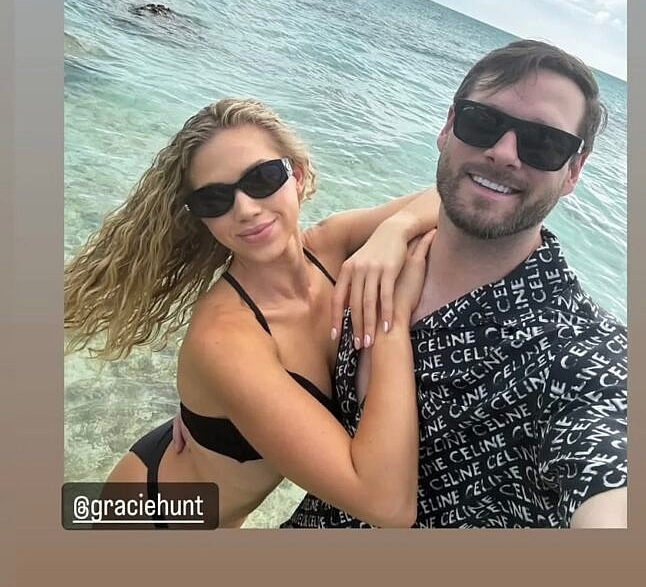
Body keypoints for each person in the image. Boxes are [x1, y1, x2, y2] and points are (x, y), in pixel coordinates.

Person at [284, 40, 628, 529]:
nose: (504, 153)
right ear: (448, 127)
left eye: (544, 144)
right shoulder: (375, 262)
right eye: (482, 123)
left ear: (573, 170)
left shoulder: (580, 355)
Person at [64, 97, 438, 528]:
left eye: (262, 178)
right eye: (214, 199)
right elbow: (385, 505)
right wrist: (391, 319)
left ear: (295, 175)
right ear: (201, 218)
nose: (244, 209)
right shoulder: (226, 337)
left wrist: (396, 230)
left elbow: (459, 199)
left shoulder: (334, 244)